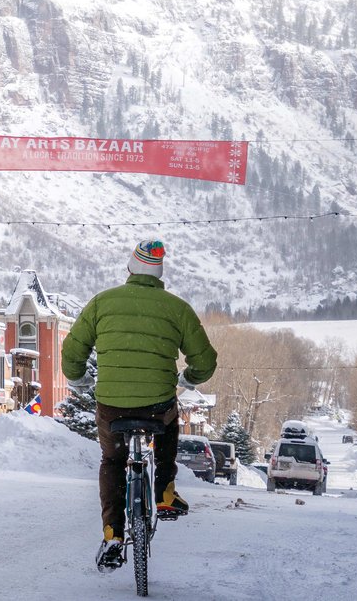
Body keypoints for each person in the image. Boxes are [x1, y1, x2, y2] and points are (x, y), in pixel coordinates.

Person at [61, 240, 217, 573]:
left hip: (112, 407)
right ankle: (163, 491)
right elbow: (205, 361)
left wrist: (79, 379)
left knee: (113, 459)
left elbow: (71, 355)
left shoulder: (102, 303)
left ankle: (113, 534)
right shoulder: (177, 309)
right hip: (156, 405)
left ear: (130, 270)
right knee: (169, 426)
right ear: (159, 274)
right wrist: (188, 378)